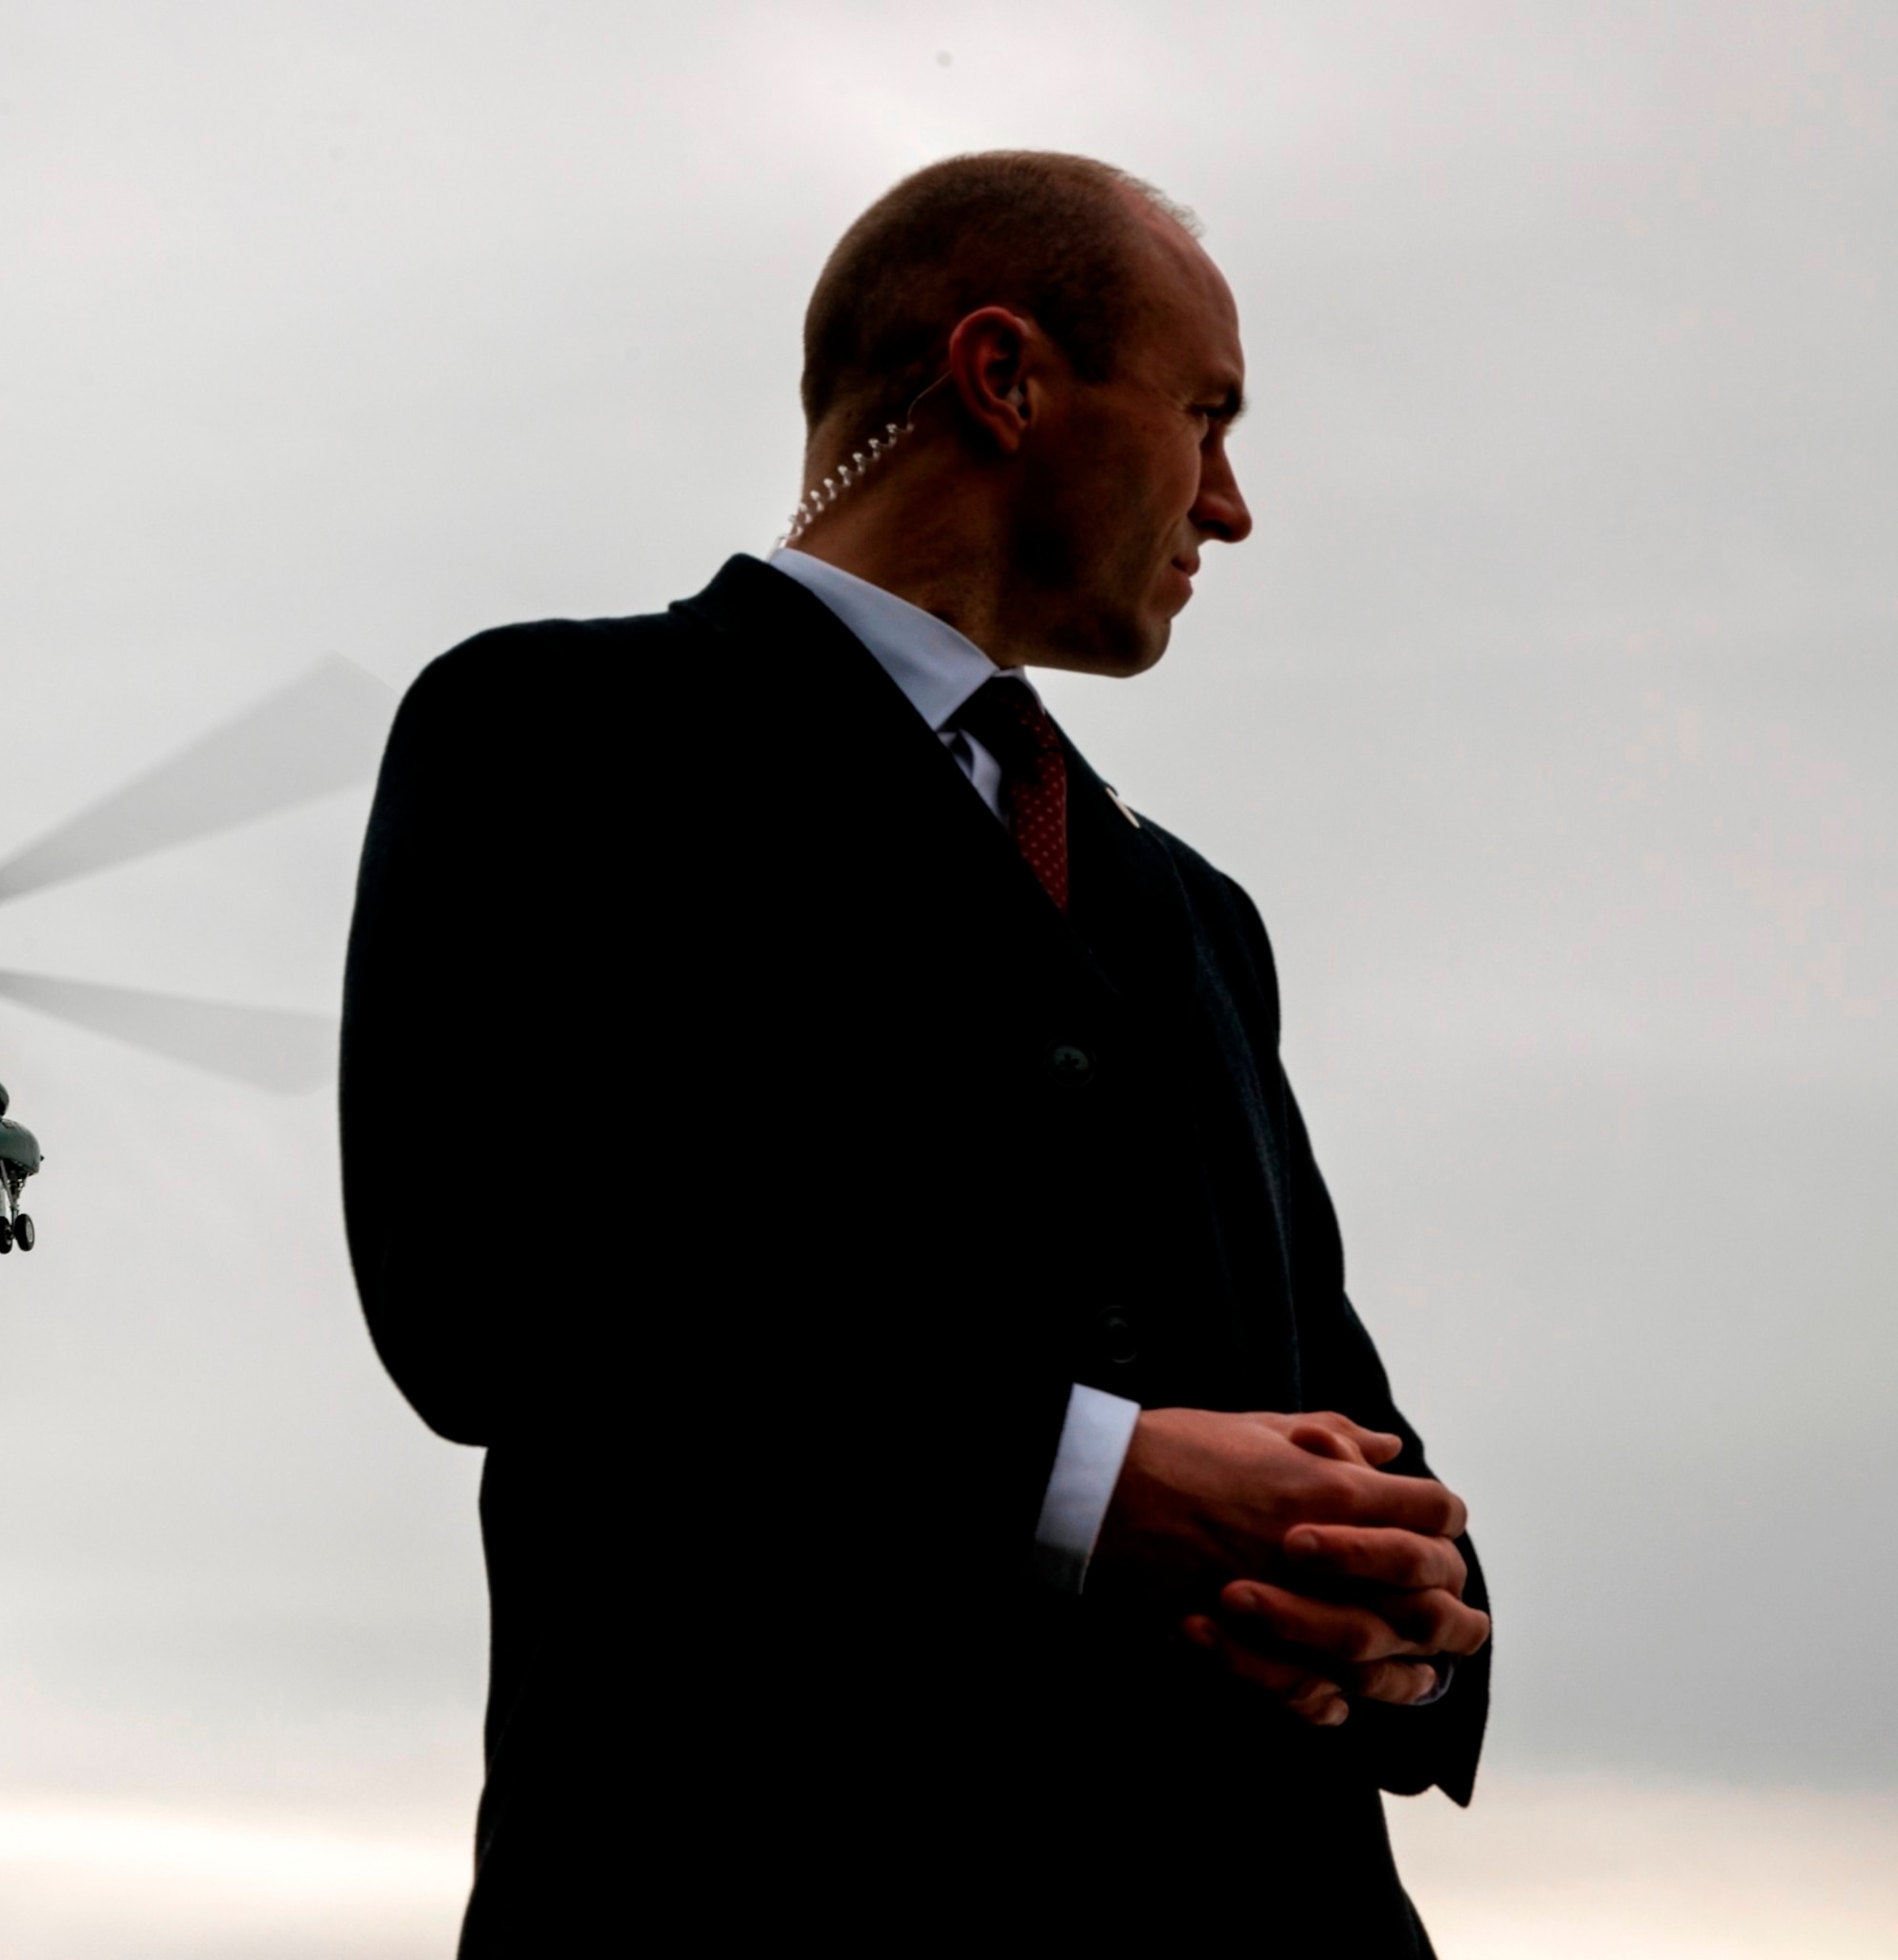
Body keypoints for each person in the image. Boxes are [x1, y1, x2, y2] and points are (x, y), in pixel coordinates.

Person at [339, 150, 1492, 1954]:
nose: (1236, 503)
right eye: (1206, 416)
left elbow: (1329, 1394)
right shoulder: (555, 738)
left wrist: (1417, 1625)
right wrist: (1084, 1484)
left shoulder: (1196, 917)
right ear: (1006, 375)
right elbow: (489, 1296)